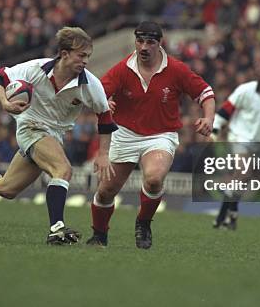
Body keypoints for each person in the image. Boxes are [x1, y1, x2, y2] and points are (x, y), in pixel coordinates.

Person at [0, 27, 117, 245]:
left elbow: (106, 118)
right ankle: (56, 229)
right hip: (30, 127)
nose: (86, 61)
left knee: (7, 188)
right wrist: (5, 102)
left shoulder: (91, 84)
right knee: (63, 169)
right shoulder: (35, 68)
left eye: (88, 56)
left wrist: (103, 154)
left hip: (53, 135)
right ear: (64, 54)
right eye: (81, 55)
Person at [86, 21, 215, 249]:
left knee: (154, 179)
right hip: (124, 133)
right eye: (140, 41)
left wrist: (209, 118)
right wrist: (104, 101)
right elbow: (96, 95)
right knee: (105, 191)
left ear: (159, 44)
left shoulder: (176, 69)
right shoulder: (122, 69)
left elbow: (205, 93)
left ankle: (143, 222)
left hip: (160, 135)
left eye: (150, 42)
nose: (144, 47)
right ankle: (99, 235)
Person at [210, 58, 260, 229]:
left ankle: (226, 217)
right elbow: (225, 110)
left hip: (259, 142)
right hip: (238, 136)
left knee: (240, 180)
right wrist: (215, 129)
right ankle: (229, 211)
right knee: (244, 172)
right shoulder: (245, 90)